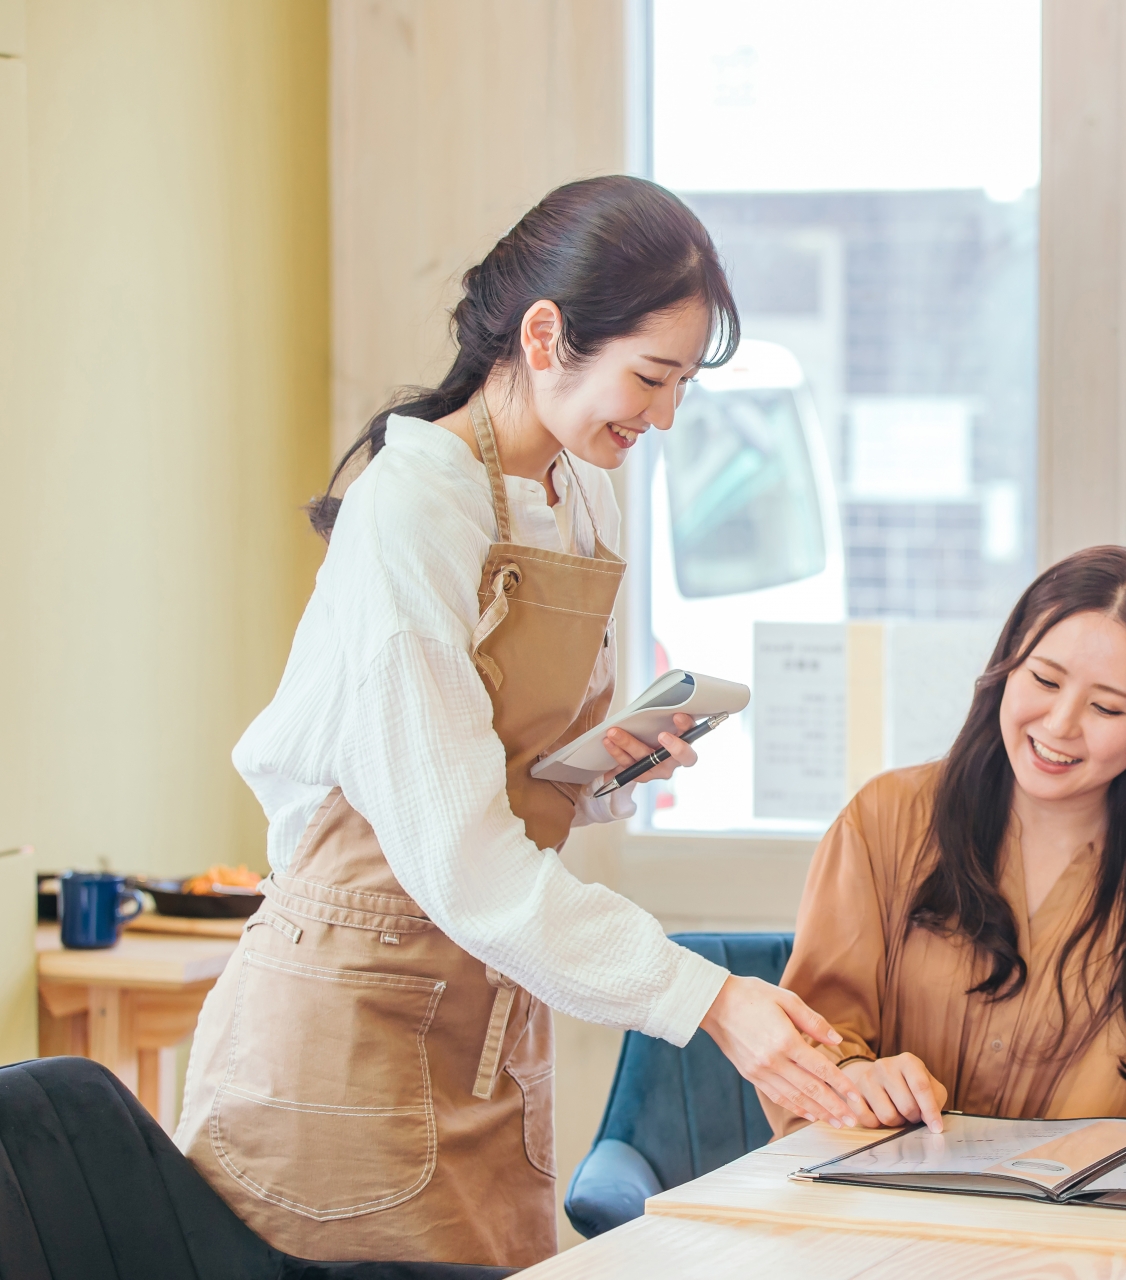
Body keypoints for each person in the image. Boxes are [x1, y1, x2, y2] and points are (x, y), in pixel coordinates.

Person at [174, 177, 862, 1268]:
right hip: (346, 1026)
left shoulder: (580, 489)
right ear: (546, 335)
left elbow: (500, 779)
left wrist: (602, 766)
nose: (666, 415)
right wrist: (711, 999)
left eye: (681, 383)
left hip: (486, 1017)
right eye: (650, 376)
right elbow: (465, 859)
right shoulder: (411, 511)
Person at [763, 546, 1126, 1137]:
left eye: (1107, 708)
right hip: (861, 1201)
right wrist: (857, 1077)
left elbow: (1109, 1130)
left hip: (1047, 1223)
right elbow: (808, 1053)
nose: (1060, 724)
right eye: (1043, 678)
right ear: (1008, 663)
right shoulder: (885, 819)